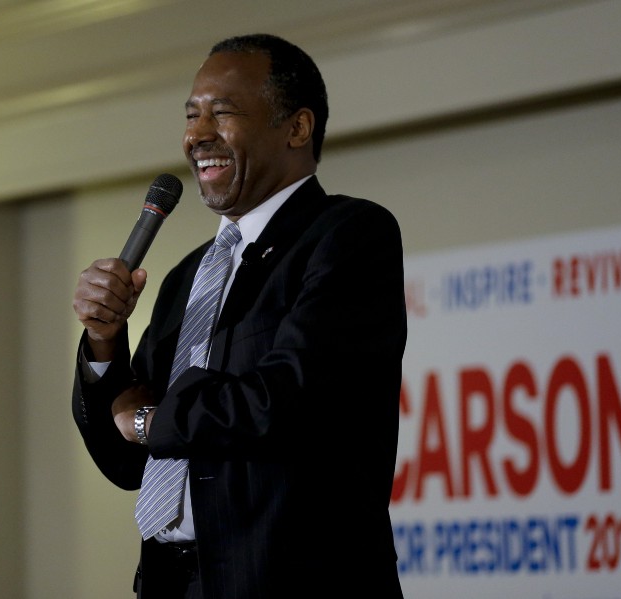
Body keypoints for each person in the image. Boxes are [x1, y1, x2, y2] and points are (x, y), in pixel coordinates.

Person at [71, 33, 407, 599]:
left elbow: (287, 398)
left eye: (221, 114)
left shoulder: (348, 235)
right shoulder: (186, 276)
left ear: (297, 128)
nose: (196, 136)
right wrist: (105, 343)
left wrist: (152, 423)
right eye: (191, 116)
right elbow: (125, 460)